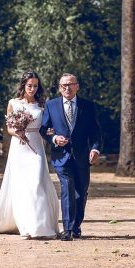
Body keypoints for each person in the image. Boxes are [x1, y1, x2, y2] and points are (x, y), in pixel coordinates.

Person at [0, 72, 60, 238]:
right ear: (23, 85)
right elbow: (9, 128)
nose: (32, 89)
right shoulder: (13, 103)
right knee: (21, 186)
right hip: (19, 147)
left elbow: (46, 126)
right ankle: (27, 225)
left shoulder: (42, 104)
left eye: (35, 86)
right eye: (29, 85)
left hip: (36, 145)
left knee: (37, 183)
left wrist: (50, 131)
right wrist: (17, 133)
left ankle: (40, 226)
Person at [40, 73, 101, 241]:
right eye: (64, 85)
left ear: (77, 86)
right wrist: (54, 139)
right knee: (67, 187)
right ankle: (67, 229)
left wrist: (95, 149)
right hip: (61, 156)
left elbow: (95, 132)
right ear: (60, 88)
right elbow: (43, 130)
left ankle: (76, 226)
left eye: (70, 84)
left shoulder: (88, 106)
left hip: (82, 157)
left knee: (81, 193)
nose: (67, 88)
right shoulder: (51, 105)